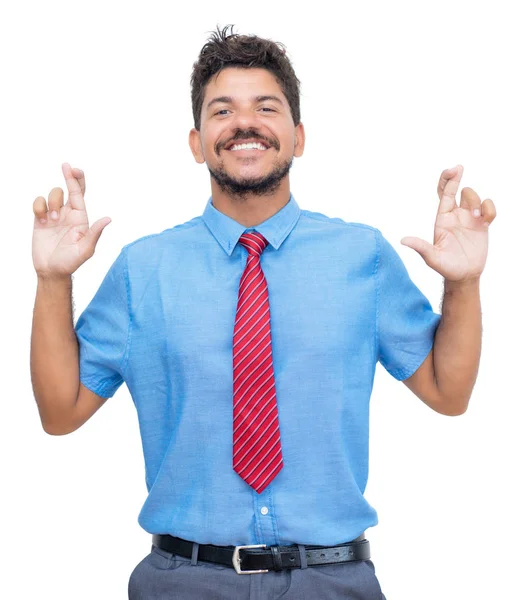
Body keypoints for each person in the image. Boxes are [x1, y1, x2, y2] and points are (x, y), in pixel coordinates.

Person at [30, 24, 496, 600]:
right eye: (221, 110)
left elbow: (448, 393)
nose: (244, 123)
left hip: (334, 582)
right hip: (183, 582)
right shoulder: (142, 269)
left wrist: (466, 284)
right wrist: (53, 280)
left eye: (265, 107)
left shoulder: (363, 257)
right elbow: (59, 411)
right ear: (197, 142)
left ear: (298, 137)